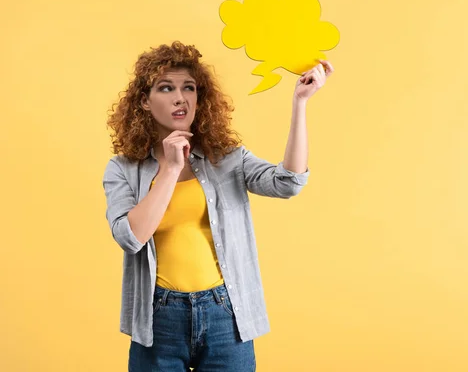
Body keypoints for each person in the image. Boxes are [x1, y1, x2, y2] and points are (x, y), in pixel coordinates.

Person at [102, 41, 334, 371]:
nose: (180, 97)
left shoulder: (226, 158)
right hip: (158, 318)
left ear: (200, 98)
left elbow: (288, 183)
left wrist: (300, 103)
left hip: (226, 312)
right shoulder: (123, 168)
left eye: (189, 88)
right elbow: (130, 237)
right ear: (144, 101)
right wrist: (169, 168)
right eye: (166, 88)